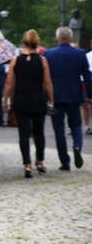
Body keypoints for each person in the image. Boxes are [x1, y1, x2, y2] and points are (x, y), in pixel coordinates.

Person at [2, 30, 54, 178]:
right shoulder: (42, 61)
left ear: (23, 44)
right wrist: (51, 100)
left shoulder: (15, 60)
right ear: (37, 44)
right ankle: (40, 161)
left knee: (23, 133)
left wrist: (5, 100)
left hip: (21, 101)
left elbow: (9, 83)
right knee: (39, 132)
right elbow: (48, 83)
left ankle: (27, 164)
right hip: (38, 100)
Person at [43, 26, 92, 170]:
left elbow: (45, 78)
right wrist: (90, 95)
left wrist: (46, 96)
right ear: (71, 38)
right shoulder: (80, 53)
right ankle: (77, 145)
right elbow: (87, 76)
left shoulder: (48, 54)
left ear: (57, 38)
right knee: (76, 124)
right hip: (74, 95)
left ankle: (65, 161)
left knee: (59, 130)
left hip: (55, 96)